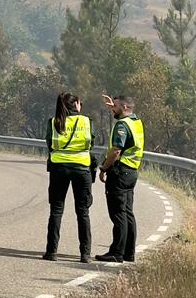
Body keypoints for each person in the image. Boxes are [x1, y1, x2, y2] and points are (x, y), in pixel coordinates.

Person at [42, 92, 94, 263]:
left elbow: (50, 144)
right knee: (83, 212)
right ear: (77, 105)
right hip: (81, 168)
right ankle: (85, 254)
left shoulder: (54, 122)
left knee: (56, 211)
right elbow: (90, 143)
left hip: (59, 168)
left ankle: (51, 252)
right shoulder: (85, 121)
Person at [95, 93, 145, 263]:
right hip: (132, 172)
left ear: (124, 107)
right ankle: (128, 253)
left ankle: (116, 252)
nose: (112, 109)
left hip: (119, 172)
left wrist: (104, 168)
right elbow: (122, 118)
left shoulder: (122, 125)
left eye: (115, 106)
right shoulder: (135, 121)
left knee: (118, 214)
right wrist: (113, 107)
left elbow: (116, 150)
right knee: (128, 213)